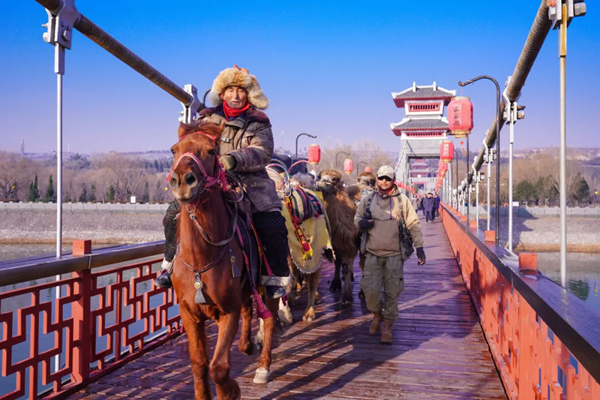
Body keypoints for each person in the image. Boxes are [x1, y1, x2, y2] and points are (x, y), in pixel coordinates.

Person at [155, 66, 290, 298]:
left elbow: (263, 151)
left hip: (251, 183)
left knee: (272, 223)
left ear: (249, 94)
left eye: (241, 90)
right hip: (211, 180)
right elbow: (193, 145)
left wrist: (234, 159)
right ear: (222, 93)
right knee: (172, 215)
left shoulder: (259, 121)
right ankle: (170, 263)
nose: (235, 95)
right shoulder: (207, 118)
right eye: (230, 90)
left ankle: (274, 277)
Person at [355, 165, 425, 344]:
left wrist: (419, 247)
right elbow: (357, 218)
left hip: (394, 255)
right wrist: (362, 223)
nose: (384, 181)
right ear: (377, 179)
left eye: (388, 178)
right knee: (370, 291)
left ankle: (388, 324)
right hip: (372, 254)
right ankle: (377, 314)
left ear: (393, 180)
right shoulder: (368, 200)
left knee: (392, 292)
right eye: (381, 178)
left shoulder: (402, 200)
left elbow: (414, 224)